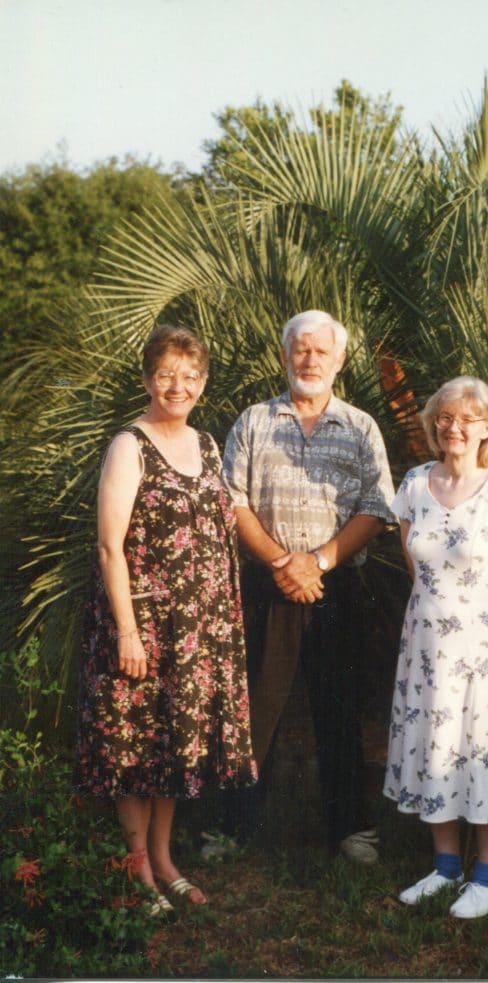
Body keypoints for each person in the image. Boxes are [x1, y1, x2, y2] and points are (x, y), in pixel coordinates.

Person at [74, 324, 256, 916]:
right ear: (148, 378)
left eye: (190, 376)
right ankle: (138, 872)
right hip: (143, 626)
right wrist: (127, 630)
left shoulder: (206, 444)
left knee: (173, 743)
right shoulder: (129, 444)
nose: (178, 386)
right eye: (166, 374)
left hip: (195, 629)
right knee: (133, 745)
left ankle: (164, 857)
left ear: (203, 383)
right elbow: (108, 546)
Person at [222, 309, 394, 862]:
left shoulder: (362, 427)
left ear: (340, 360)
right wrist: (281, 562)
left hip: (337, 587)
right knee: (253, 708)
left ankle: (350, 830)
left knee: (339, 707)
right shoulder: (253, 421)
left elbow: (377, 507)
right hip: (268, 584)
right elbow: (234, 501)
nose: (311, 359)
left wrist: (317, 561)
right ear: (284, 355)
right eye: (301, 349)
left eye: (322, 350)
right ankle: (232, 827)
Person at [383, 376, 488, 918]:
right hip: (427, 648)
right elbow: (416, 563)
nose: (454, 427)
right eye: (445, 417)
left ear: (486, 428)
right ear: (432, 425)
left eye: (467, 419)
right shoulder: (413, 485)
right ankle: (446, 869)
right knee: (437, 745)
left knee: (484, 747)